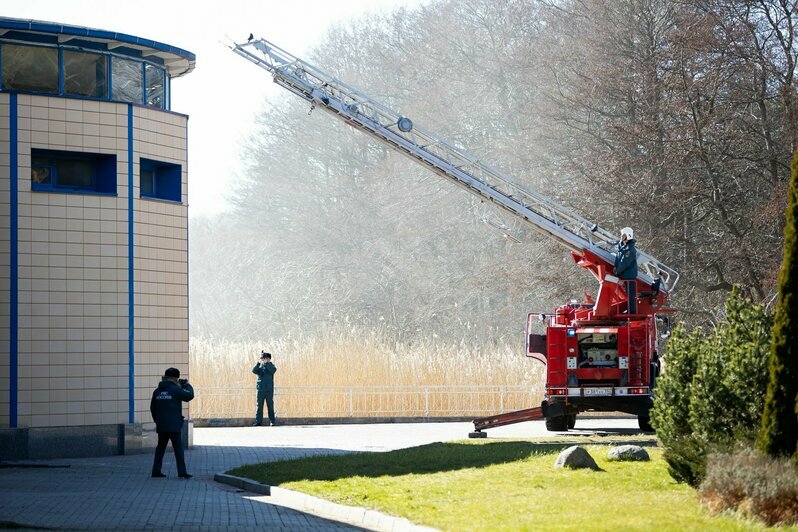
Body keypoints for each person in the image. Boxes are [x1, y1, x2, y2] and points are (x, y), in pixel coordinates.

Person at [150, 367, 194, 478]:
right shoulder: (176, 390)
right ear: (176, 378)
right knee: (178, 448)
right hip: (174, 426)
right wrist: (186, 385)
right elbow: (189, 396)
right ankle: (182, 472)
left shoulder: (157, 391)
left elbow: (152, 408)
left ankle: (156, 471)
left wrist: (158, 421)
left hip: (162, 425)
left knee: (160, 448)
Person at [614, 226, 638, 314]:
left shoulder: (630, 250)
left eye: (623, 235)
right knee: (628, 295)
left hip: (629, 276)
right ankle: (629, 310)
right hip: (624, 276)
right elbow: (618, 259)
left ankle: (632, 312)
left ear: (628, 236)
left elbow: (624, 262)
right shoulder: (622, 247)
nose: (621, 236)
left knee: (631, 296)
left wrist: (617, 271)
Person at [252, 351, 277, 426]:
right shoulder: (260, 366)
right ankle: (258, 421)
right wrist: (258, 363)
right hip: (260, 389)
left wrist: (267, 364)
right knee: (259, 406)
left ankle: (272, 421)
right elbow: (254, 371)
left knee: (270, 406)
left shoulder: (271, 366)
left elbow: (273, 370)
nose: (263, 359)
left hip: (268, 389)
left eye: (265, 358)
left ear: (269, 359)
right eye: (262, 358)